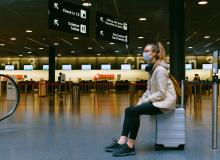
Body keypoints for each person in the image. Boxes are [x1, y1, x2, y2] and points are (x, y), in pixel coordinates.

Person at [105, 42, 177, 156]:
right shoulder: (152, 70)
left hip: (164, 103)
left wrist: (144, 102)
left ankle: (130, 145)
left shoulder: (160, 70)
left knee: (135, 111)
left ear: (154, 53)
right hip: (157, 100)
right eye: (144, 51)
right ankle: (121, 141)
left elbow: (162, 93)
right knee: (129, 109)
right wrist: (140, 101)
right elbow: (149, 90)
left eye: (147, 51)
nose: (144, 53)